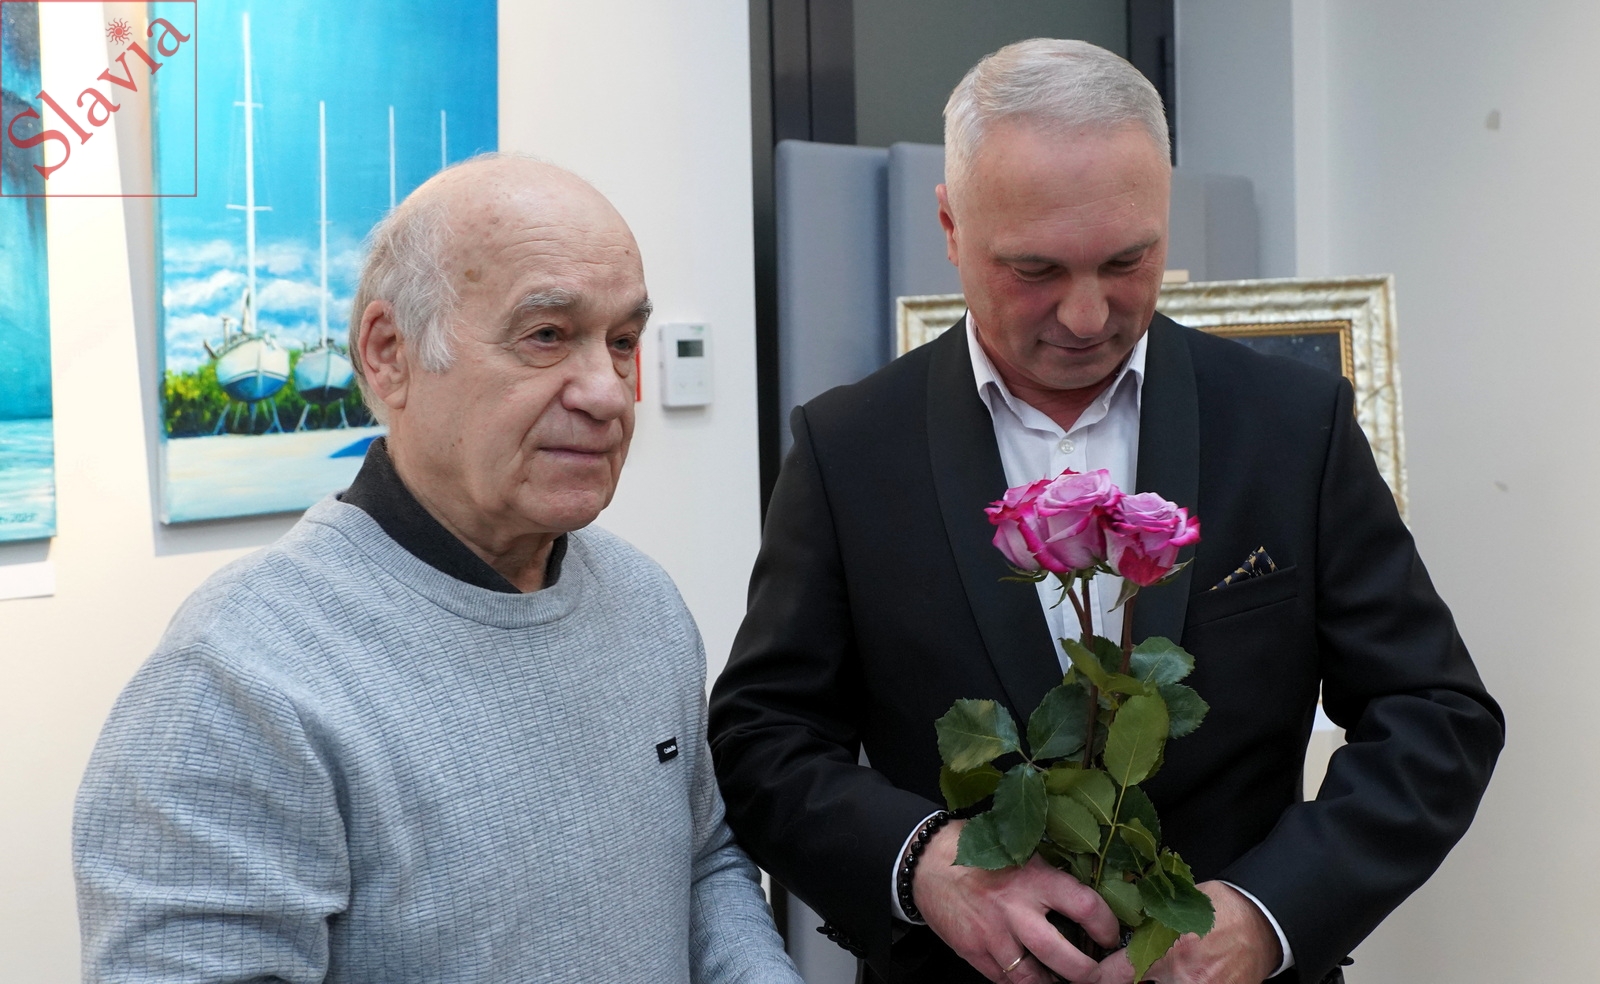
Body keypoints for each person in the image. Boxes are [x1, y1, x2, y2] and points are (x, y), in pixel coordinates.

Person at [709, 39, 1502, 984]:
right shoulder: (849, 449)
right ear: (951, 227)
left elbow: (1434, 713)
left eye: (1129, 260)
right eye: (1035, 270)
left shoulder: (1295, 425)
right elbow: (764, 739)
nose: (1087, 317)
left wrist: (1269, 914)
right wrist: (922, 863)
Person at [74, 154, 801, 984]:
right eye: (546, 336)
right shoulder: (238, 680)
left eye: (623, 341)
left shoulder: (643, 603)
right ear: (389, 352)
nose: (608, 392)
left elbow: (703, 864)